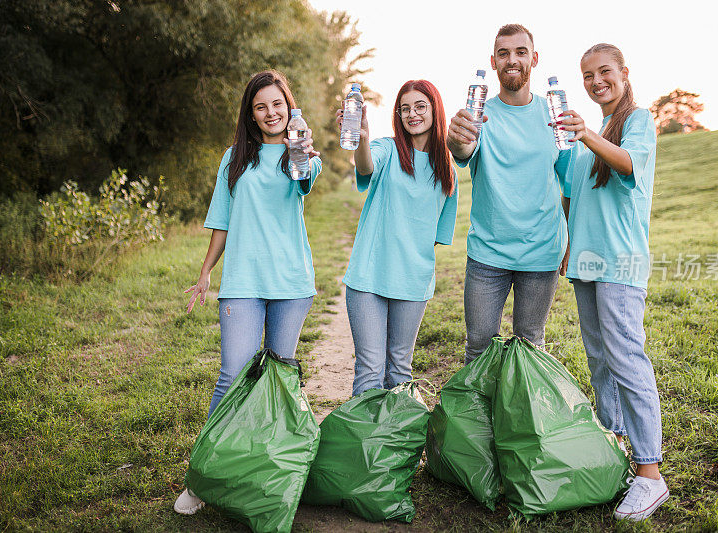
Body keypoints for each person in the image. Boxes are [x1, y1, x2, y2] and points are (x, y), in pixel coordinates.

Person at [174, 70, 321, 515]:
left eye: (277, 104)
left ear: (288, 106)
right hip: (241, 283)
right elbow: (221, 222)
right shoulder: (233, 158)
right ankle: (202, 478)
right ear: (251, 114)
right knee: (233, 375)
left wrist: (301, 148)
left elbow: (303, 178)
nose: (270, 112)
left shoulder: (302, 156)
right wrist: (204, 273)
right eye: (261, 106)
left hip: (291, 284)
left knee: (278, 379)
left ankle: (272, 474)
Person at [556, 43, 667, 521]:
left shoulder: (637, 120)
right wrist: (567, 246)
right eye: (587, 75)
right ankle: (615, 446)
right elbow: (572, 195)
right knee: (599, 357)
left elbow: (627, 164)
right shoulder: (595, 131)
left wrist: (585, 136)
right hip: (586, 261)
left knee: (625, 356)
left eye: (604, 72)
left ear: (624, 73)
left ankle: (650, 474)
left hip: (620, 263)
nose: (595, 81)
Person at [446, 24, 570, 364]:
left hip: (542, 252)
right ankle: (479, 416)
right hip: (488, 254)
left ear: (534, 58)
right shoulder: (479, 114)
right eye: (503, 53)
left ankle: (522, 417)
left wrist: (570, 239)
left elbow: (570, 183)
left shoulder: (555, 114)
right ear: (494, 61)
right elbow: (462, 150)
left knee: (530, 347)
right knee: (479, 346)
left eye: (520, 52)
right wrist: (456, 140)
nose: (511, 60)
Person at [337, 80, 458, 396]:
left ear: (434, 110)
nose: (412, 114)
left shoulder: (446, 168)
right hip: (369, 279)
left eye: (420, 106)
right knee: (370, 372)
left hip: (413, 284)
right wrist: (361, 139)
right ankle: (363, 445)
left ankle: (395, 444)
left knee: (400, 371)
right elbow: (365, 164)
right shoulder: (387, 149)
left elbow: (433, 236)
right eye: (405, 108)